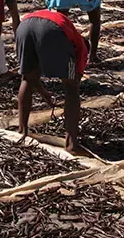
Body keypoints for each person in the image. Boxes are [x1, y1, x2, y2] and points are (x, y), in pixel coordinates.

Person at [16, 9, 90, 155]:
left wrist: (44, 93)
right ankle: (71, 144)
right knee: (71, 88)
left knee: (26, 80)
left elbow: (32, 75)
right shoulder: (81, 48)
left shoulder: (72, 34)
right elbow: (74, 80)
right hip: (53, 28)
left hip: (24, 25)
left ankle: (22, 130)